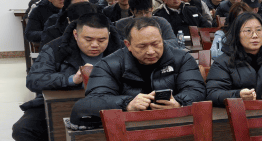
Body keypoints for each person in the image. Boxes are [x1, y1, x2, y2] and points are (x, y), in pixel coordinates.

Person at [15, 12, 121, 141]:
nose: (95, 45)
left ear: (109, 35)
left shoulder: (119, 47)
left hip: (108, 102)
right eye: (88, 39)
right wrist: (71, 79)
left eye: (101, 40)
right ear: (75, 34)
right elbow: (34, 80)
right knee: (24, 130)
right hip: (59, 104)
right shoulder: (56, 48)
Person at [70, 17, 206, 125]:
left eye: (156, 44)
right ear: (128, 45)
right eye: (142, 46)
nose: (151, 51)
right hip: (127, 129)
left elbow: (197, 90)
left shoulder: (182, 58)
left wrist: (179, 103)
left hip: (175, 124)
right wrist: (127, 104)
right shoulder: (108, 65)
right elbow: (90, 103)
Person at [113, 0, 180, 48]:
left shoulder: (161, 22)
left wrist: (154, 43)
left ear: (152, 9)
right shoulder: (122, 24)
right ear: (132, 12)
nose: (144, 16)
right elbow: (119, 45)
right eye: (139, 13)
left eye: (147, 12)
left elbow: (174, 42)